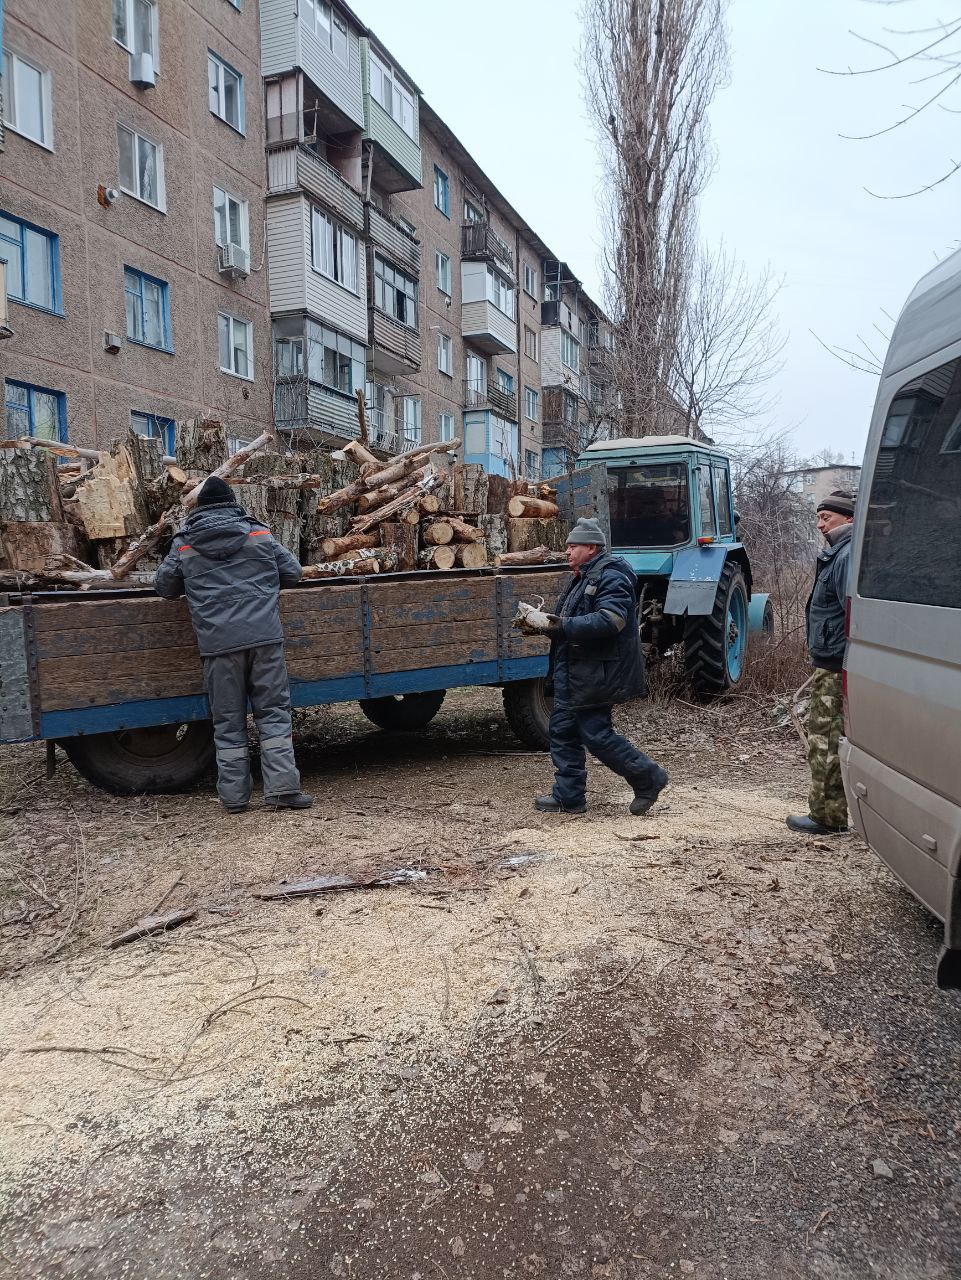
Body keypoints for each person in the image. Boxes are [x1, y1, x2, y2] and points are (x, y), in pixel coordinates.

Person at [155, 475, 312, 814]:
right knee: (273, 715)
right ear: (232, 504)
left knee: (227, 722)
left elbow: (165, 587)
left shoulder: (184, 543)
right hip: (265, 639)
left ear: (201, 508)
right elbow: (294, 573)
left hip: (218, 646)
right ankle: (282, 790)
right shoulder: (259, 534)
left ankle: (235, 798)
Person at [521, 516, 668, 815]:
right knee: (562, 731)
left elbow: (611, 620)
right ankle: (569, 797)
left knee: (596, 735)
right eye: (567, 546)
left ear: (591, 547)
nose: (567, 551)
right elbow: (572, 622)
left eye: (573, 546)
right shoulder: (584, 576)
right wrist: (544, 625)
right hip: (574, 670)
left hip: (596, 673)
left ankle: (649, 777)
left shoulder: (612, 577)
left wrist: (561, 625)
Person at [787, 489, 856, 836]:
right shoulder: (838, 553)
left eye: (826, 517)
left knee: (826, 741)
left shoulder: (845, 557)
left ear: (849, 518)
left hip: (835, 666)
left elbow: (853, 620)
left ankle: (827, 818)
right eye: (818, 517)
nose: (819, 524)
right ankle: (832, 812)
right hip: (832, 662)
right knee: (827, 739)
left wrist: (843, 665)